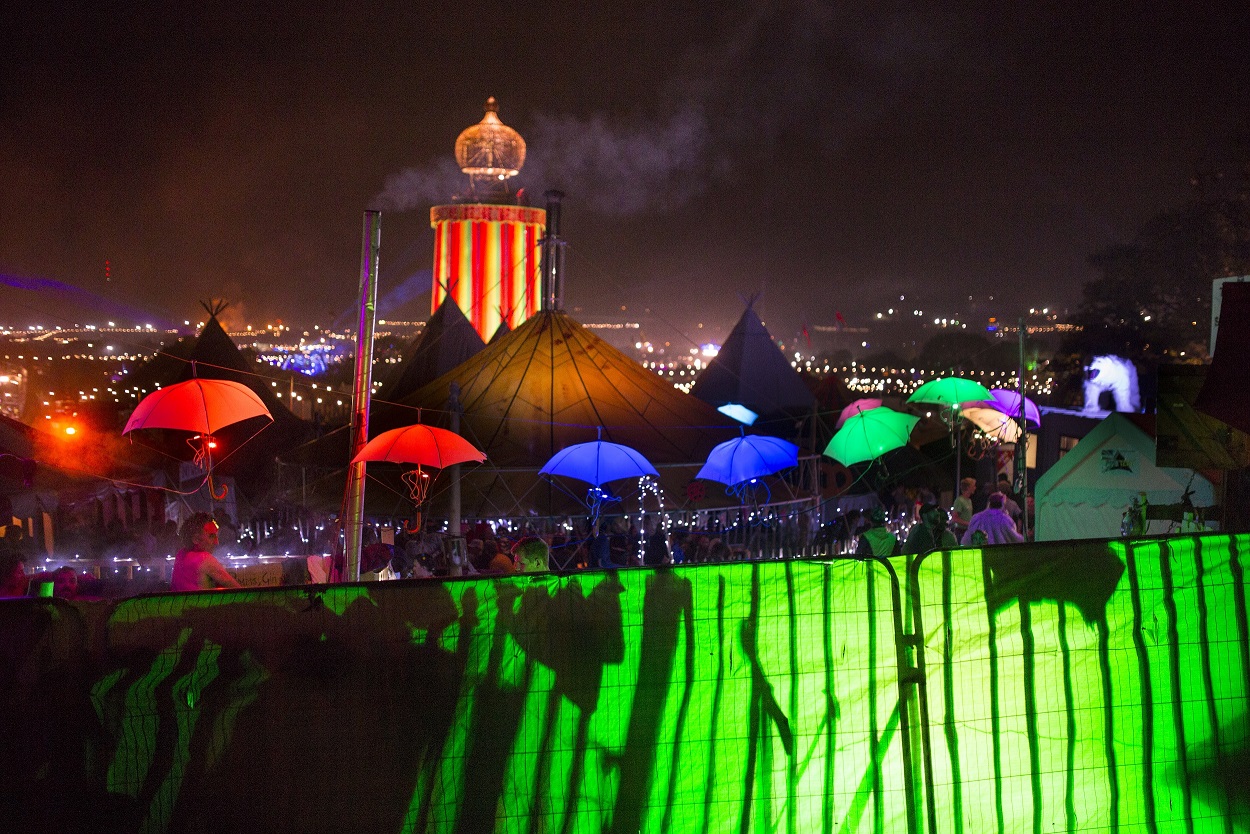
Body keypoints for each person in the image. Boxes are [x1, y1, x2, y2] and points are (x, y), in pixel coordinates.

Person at [170, 512, 242, 591]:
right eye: (211, 536)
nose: (217, 542)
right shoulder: (204, 558)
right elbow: (239, 590)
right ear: (196, 539)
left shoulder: (180, 555)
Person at [961, 492, 1026, 545]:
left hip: (981, 553)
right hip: (1001, 554)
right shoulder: (1006, 519)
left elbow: (966, 540)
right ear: (1003, 504)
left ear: (989, 503)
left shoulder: (977, 518)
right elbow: (1015, 538)